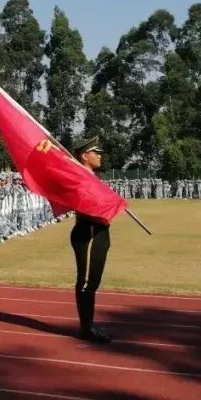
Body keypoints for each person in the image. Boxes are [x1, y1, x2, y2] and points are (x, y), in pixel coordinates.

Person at [71, 136, 112, 344]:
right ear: (85, 156)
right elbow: (83, 206)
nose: (100, 156)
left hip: (99, 232)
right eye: (96, 152)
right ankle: (86, 328)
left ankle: (89, 325)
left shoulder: (93, 177)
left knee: (92, 281)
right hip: (87, 231)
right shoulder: (80, 177)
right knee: (86, 281)